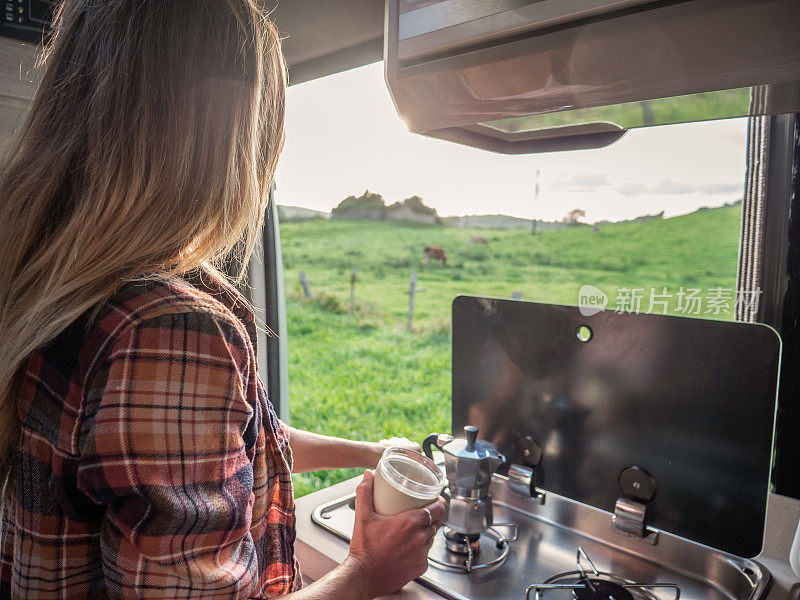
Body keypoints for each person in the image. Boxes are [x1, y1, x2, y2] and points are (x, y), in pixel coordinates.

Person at [0, 1, 445, 598]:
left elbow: (232, 439)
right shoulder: (166, 330)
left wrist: (369, 450)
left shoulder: (46, 275)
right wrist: (369, 570)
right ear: (229, 127)